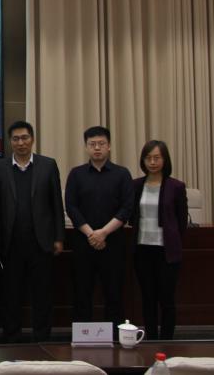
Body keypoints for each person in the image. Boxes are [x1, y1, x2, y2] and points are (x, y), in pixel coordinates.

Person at [0, 121, 64, 342]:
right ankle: (11, 336)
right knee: (11, 293)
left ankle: (42, 336)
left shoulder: (48, 165)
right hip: (10, 243)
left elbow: (56, 204)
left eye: (24, 138)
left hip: (41, 242)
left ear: (32, 139)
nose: (20, 142)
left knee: (42, 293)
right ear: (10, 142)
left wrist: (59, 237)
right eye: (16, 139)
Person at [65, 125, 134, 332]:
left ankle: (114, 337)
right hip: (83, 243)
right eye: (92, 144)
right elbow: (71, 207)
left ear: (109, 146)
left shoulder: (122, 174)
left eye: (101, 144)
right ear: (86, 147)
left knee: (114, 293)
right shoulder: (76, 174)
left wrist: (103, 233)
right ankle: (82, 337)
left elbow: (127, 208)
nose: (97, 148)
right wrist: (91, 233)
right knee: (82, 292)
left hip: (113, 243)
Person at [131, 140, 188, 340]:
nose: (153, 162)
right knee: (147, 297)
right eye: (148, 158)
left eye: (157, 158)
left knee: (166, 298)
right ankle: (151, 338)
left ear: (165, 160)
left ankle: (166, 340)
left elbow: (182, 222)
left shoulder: (176, 186)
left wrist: (174, 241)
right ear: (143, 160)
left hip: (166, 251)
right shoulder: (136, 185)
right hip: (142, 249)